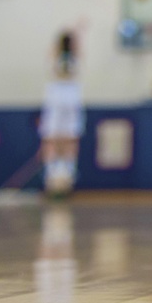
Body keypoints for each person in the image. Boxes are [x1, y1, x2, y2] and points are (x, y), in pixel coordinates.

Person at [40, 29, 85, 196]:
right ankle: (51, 175)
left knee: (69, 140)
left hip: (70, 101)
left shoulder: (76, 58)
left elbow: (79, 49)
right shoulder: (54, 58)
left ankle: (67, 175)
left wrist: (78, 31)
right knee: (52, 139)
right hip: (56, 100)